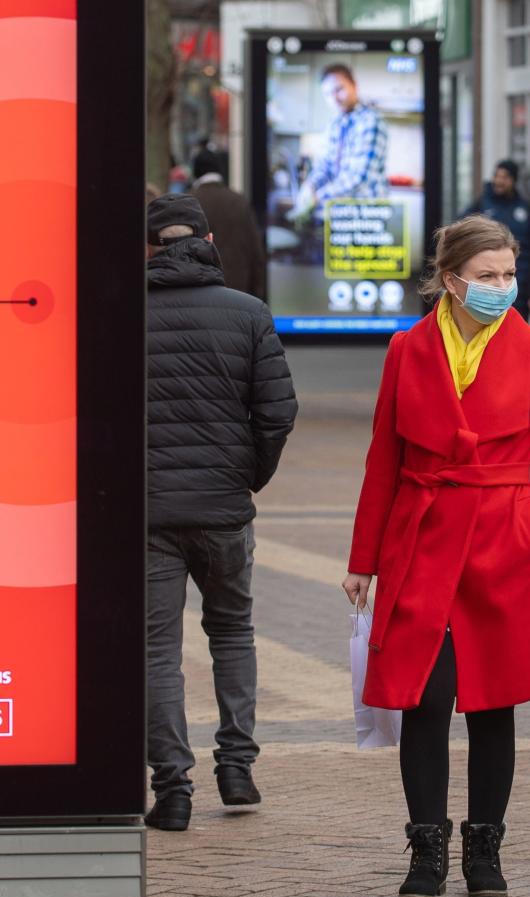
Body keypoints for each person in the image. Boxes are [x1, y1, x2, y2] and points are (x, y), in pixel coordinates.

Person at [341, 215, 530, 897]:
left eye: (509, 275)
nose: (502, 288)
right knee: (426, 696)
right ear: (452, 282)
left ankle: (485, 847)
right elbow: (383, 460)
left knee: (492, 701)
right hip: (421, 540)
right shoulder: (407, 349)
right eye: (488, 276)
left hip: (502, 545)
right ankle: (426, 850)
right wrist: (363, 559)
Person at [144, 193, 297, 832]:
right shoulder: (249, 313)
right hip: (225, 510)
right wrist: (246, 478)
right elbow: (278, 413)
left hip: (146, 514)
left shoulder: (118, 314)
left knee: (156, 648)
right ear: (207, 242)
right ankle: (236, 766)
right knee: (232, 630)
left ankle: (172, 787)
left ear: (150, 247)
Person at [286, 64, 389, 226]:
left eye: (339, 89)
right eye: (327, 94)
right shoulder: (335, 123)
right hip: (340, 216)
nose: (334, 98)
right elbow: (326, 165)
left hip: (367, 218)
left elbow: (358, 177)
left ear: (354, 85)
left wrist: (317, 197)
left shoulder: (370, 121)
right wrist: (310, 185)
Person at [462, 160, 530, 315]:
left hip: (519, 283)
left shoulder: (526, 209)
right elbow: (463, 231)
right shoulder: (481, 204)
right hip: (487, 283)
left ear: (513, 180)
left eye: (504, 177)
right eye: (496, 176)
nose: (499, 181)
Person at [190, 146, 268, 299]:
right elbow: (256, 255)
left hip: (198, 298)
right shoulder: (240, 202)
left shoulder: (188, 202)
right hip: (238, 296)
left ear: (195, 172)